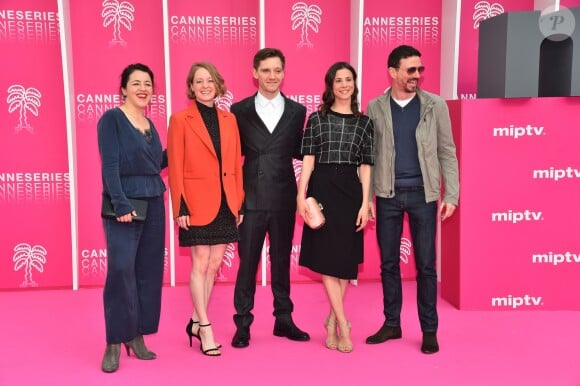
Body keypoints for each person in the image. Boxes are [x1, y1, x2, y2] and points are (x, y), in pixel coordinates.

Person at [365, 45, 459, 354]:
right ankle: (392, 324)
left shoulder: (435, 105)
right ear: (393, 72)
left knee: (426, 266)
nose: (417, 75)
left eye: (420, 69)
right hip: (387, 195)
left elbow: (447, 151)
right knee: (389, 264)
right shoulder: (375, 107)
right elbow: (369, 157)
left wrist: (452, 193)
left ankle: (429, 329)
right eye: (410, 70)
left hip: (424, 195)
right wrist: (367, 199)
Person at [230, 48, 309, 348]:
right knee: (247, 263)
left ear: (284, 73)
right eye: (266, 70)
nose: (272, 76)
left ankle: (284, 319)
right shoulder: (238, 111)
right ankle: (243, 323)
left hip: (284, 197)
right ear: (255, 73)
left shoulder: (298, 112)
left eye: (277, 70)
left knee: (280, 263)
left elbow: (303, 151)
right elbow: (228, 155)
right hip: (249, 198)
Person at [167, 62, 244, 357]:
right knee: (200, 264)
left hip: (226, 201)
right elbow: (174, 166)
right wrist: (180, 205)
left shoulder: (229, 119)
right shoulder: (180, 119)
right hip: (196, 202)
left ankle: (196, 321)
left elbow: (236, 163)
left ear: (218, 83)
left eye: (209, 80)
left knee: (214, 265)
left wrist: (237, 201)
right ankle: (206, 327)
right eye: (198, 81)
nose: (204, 85)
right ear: (191, 86)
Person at [297, 62, 374, 353]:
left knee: (344, 263)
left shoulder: (364, 122)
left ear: (354, 84)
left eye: (348, 79)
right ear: (330, 86)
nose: (344, 84)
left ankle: (331, 321)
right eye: (338, 80)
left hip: (351, 192)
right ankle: (343, 322)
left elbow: (366, 166)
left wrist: (366, 202)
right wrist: (301, 194)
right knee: (329, 261)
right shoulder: (316, 119)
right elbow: (308, 159)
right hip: (323, 188)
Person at [97, 63, 167, 373]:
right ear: (123, 88)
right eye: (136, 82)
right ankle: (114, 340)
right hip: (124, 205)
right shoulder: (111, 119)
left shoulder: (151, 124)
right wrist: (121, 204)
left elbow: (156, 163)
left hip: (154, 201)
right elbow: (110, 167)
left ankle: (136, 335)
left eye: (148, 83)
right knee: (120, 271)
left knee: (148, 272)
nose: (143, 88)